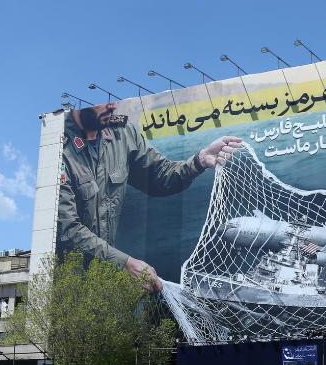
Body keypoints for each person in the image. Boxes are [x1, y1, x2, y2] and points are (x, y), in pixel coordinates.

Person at [57, 100, 242, 291]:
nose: (111, 107)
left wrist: (200, 160)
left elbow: (160, 175)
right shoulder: (57, 147)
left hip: (105, 276)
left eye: (112, 101)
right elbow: (68, 229)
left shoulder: (123, 134)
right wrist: (125, 263)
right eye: (100, 102)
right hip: (66, 283)